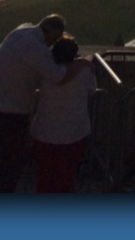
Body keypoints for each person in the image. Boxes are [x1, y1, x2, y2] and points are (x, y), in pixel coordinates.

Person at [0, 14, 89, 193]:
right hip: (8, 117)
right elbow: (58, 75)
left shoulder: (20, 31)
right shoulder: (36, 48)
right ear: (52, 34)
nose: (51, 46)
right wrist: (81, 64)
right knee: (7, 173)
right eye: (53, 41)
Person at [30, 35, 98, 193]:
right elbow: (92, 90)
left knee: (44, 181)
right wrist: (83, 63)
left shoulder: (46, 72)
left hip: (44, 133)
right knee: (66, 181)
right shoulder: (85, 72)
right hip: (73, 134)